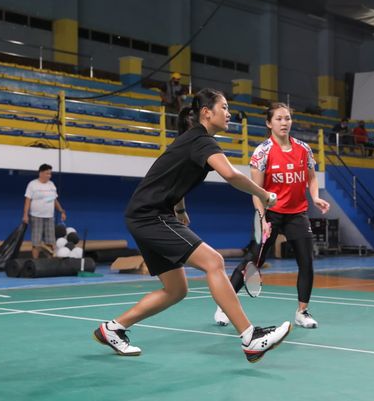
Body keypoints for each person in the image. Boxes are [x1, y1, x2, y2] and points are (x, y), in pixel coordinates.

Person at [93, 89, 291, 363]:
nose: (229, 113)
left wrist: (181, 210)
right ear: (206, 113)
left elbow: (174, 176)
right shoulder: (201, 140)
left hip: (145, 214)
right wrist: (263, 194)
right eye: (224, 107)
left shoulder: (193, 141)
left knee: (176, 290)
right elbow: (231, 174)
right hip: (150, 215)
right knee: (214, 262)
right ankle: (250, 337)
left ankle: (112, 329)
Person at [215, 103, 330, 329]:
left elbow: (312, 177)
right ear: (269, 123)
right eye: (278, 119)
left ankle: (302, 312)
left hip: (297, 213)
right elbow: (255, 191)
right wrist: (262, 218)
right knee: (253, 261)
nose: (284, 123)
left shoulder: (304, 149)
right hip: (271, 213)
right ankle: (223, 306)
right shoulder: (262, 152)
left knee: (306, 262)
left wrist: (315, 197)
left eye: (287, 118)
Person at [22, 164, 66, 259]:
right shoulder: (33, 184)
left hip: (49, 217)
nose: (49, 176)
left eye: (50, 174)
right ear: (41, 173)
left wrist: (61, 210)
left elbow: (54, 200)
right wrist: (25, 215)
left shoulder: (51, 185)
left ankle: (50, 261)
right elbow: (27, 200)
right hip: (36, 216)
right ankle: (35, 261)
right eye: (47, 173)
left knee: (50, 241)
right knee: (36, 242)